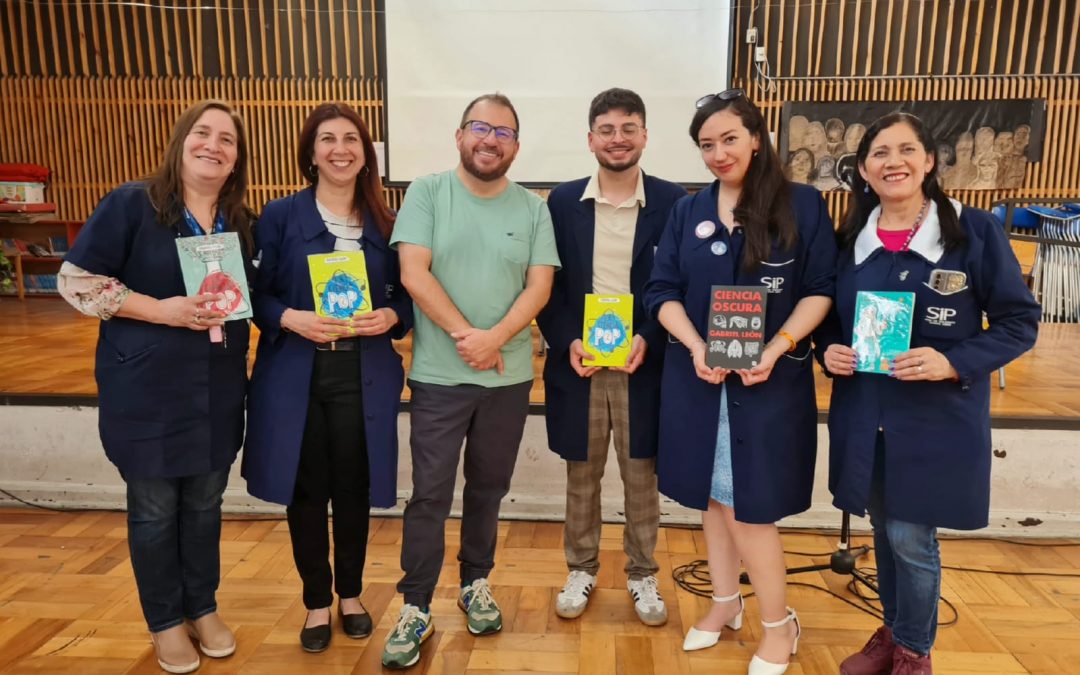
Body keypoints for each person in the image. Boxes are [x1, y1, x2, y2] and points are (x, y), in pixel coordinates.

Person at [818, 112, 1039, 675]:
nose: (893, 162)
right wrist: (829, 350)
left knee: (913, 537)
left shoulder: (974, 231)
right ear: (863, 169)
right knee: (884, 530)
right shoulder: (849, 239)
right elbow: (829, 317)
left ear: (930, 161)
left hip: (936, 417)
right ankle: (894, 633)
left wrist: (951, 361)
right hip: (867, 414)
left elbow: (1019, 322)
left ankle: (915, 651)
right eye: (879, 153)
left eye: (906, 150)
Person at [644, 90, 837, 675]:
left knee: (748, 508)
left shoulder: (801, 205)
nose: (718, 153)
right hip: (698, 380)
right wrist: (698, 346)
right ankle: (725, 603)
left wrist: (779, 348)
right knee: (710, 498)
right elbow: (661, 292)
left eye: (730, 138)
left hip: (766, 384)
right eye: (707, 144)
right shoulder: (687, 210)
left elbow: (820, 288)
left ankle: (779, 626)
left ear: (757, 137)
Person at [58, 100, 254, 674]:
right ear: (180, 140)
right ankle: (165, 620)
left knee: (204, 504)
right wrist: (159, 311)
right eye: (203, 133)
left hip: (217, 387)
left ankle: (203, 607)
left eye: (228, 139)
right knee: (153, 509)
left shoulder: (240, 220)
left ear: (238, 157)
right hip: (146, 385)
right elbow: (76, 282)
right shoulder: (131, 204)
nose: (214, 145)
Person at [381, 93, 561, 670]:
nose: (492, 139)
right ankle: (414, 604)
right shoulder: (428, 193)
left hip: (505, 381)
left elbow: (539, 287)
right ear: (460, 136)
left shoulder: (534, 209)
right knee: (430, 494)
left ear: (516, 145)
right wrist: (469, 337)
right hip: (439, 377)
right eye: (481, 127)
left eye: (504, 131)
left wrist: (495, 338)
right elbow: (413, 272)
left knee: (488, 488)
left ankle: (475, 582)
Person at [243, 103, 411, 653]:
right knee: (306, 487)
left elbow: (407, 297)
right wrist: (290, 317)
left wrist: (391, 316)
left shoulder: (389, 222)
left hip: (364, 372)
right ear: (310, 152)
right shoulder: (279, 216)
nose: (340, 148)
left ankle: (352, 595)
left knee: (354, 488)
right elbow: (254, 296)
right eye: (327, 139)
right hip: (296, 370)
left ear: (366, 155)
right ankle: (317, 599)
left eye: (352, 140)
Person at [536, 88, 686, 626]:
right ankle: (581, 567)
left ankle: (643, 573)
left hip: (644, 360)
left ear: (644, 135)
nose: (617, 139)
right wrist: (565, 339)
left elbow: (678, 285)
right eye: (606, 129)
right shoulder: (560, 202)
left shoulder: (675, 202)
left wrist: (651, 335)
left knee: (642, 471)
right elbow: (544, 286)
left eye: (628, 128)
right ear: (590, 138)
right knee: (582, 471)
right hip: (581, 362)